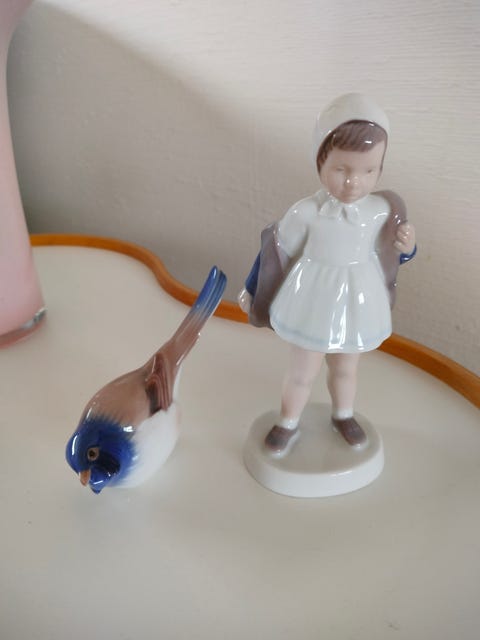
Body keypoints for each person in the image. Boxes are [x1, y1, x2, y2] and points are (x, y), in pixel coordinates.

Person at [238, 93, 416, 456]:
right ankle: (288, 421)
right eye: (342, 169)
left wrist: (408, 245)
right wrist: (252, 287)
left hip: (357, 297)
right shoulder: (305, 213)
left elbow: (394, 251)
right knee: (302, 369)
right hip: (312, 298)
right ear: (320, 162)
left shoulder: (380, 211)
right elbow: (275, 251)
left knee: (346, 366)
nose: (354, 182)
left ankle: (343, 414)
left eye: (369, 171)